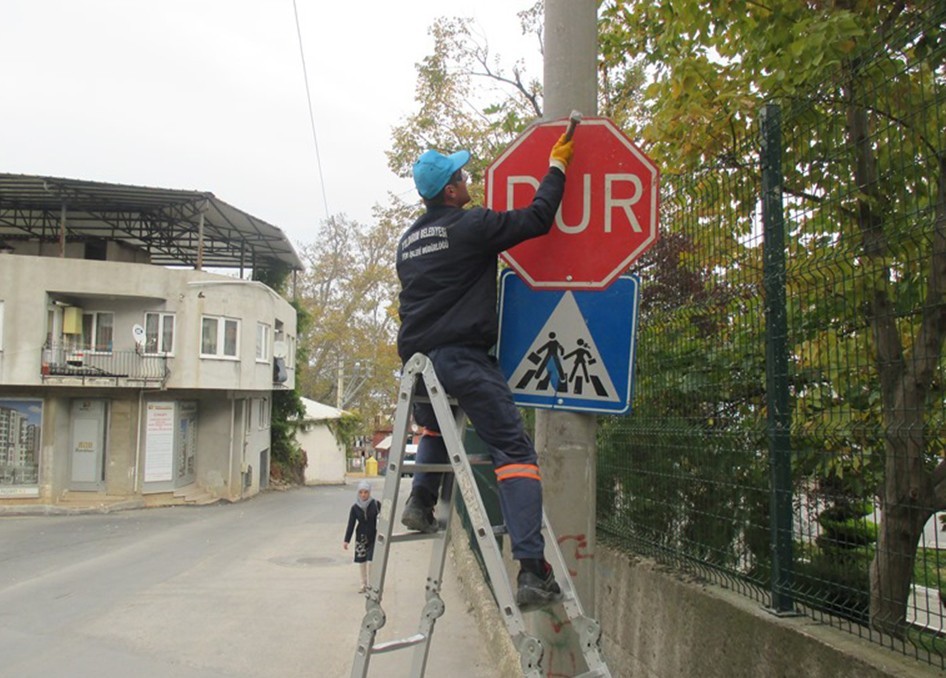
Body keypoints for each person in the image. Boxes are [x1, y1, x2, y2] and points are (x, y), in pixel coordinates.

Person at [395, 131, 575, 612]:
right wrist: (557, 167)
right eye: (461, 175)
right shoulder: (469, 226)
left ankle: (420, 501)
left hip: (417, 364)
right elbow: (537, 219)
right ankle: (533, 572)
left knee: (435, 422)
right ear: (450, 192)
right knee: (513, 451)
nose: (467, 178)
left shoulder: (408, 241)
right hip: (461, 358)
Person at [343, 480, 380, 593]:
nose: (363, 495)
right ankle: (363, 584)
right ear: (358, 493)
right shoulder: (355, 508)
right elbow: (351, 524)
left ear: (369, 492)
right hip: (361, 537)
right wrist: (346, 540)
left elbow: (384, 520)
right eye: (361, 492)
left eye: (366, 492)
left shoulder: (376, 504)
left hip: (374, 536)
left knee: (371, 561)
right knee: (362, 561)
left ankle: (371, 584)